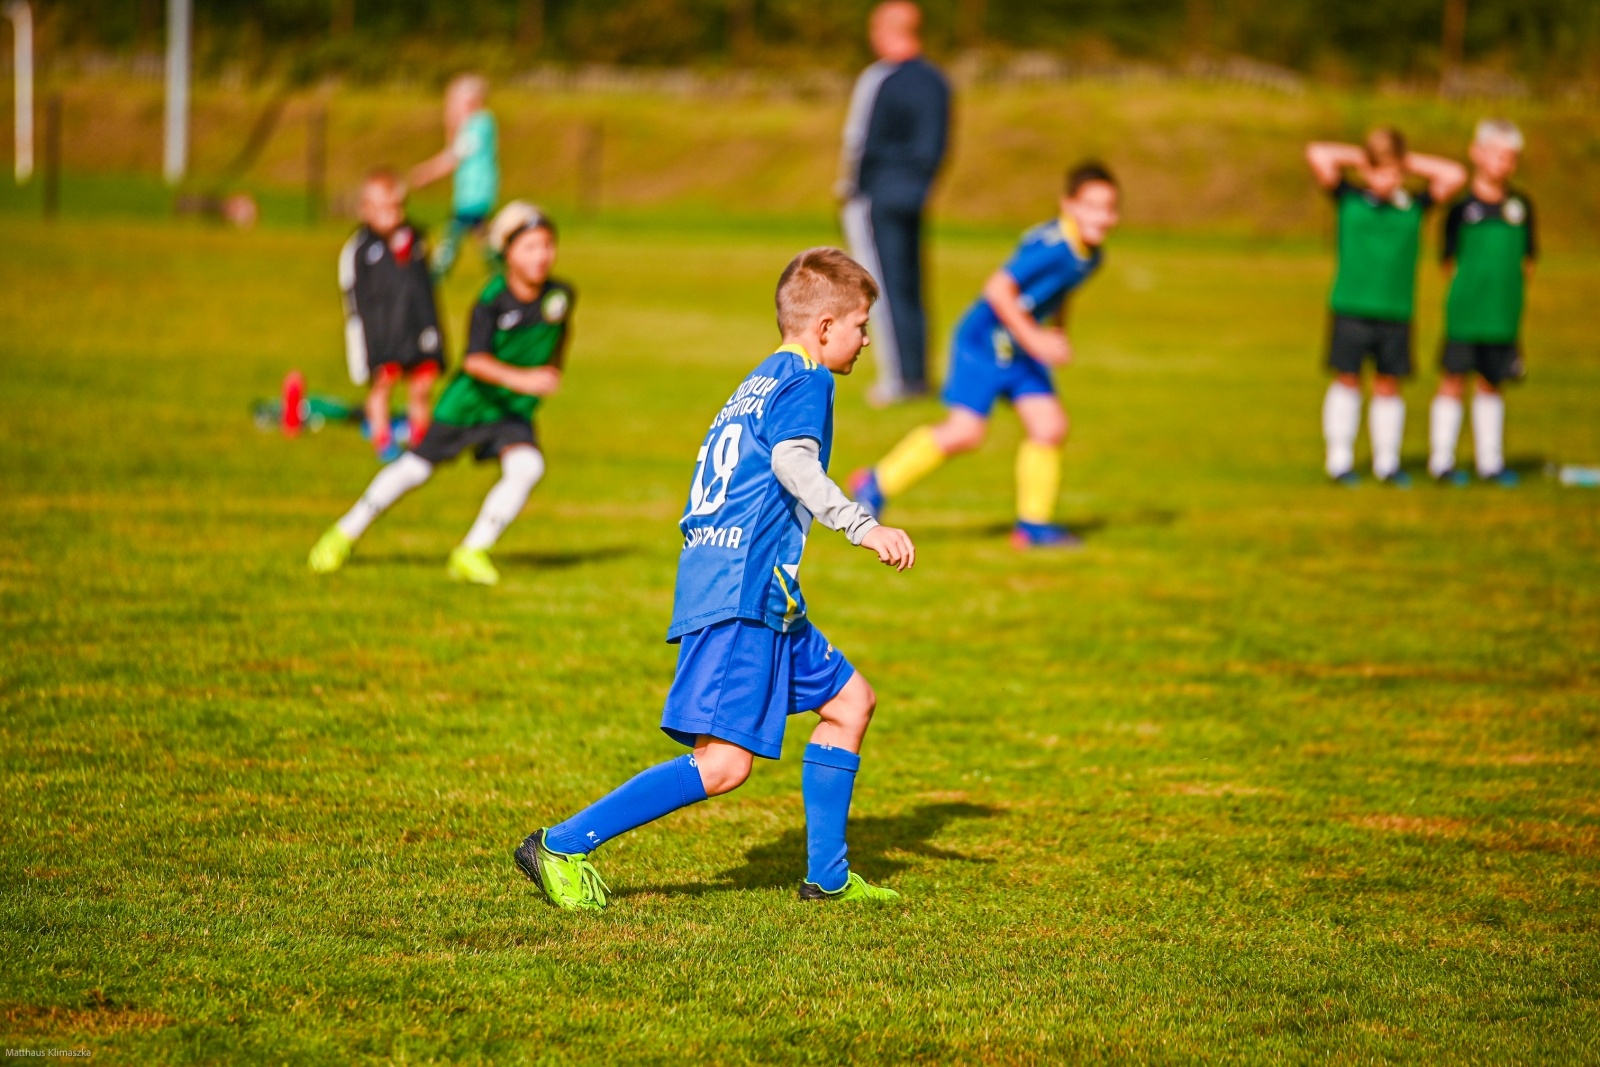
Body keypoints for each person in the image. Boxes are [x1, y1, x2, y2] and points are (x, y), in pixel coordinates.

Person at [514, 248, 917, 911]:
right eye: (861, 326)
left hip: (755, 587)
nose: (867, 340)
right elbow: (793, 464)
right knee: (724, 764)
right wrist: (862, 525)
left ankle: (828, 878)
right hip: (742, 591)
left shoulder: (758, 378)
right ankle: (561, 844)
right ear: (824, 328)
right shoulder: (809, 380)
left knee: (850, 703)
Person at [849, 162, 1121, 550]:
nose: (1101, 217)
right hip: (984, 342)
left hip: (1018, 347)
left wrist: (1057, 331)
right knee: (965, 432)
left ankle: (1033, 526)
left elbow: (1061, 290)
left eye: (1109, 208)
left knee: (1049, 426)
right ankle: (875, 483)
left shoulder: (1090, 255)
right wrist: (1035, 338)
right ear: (1069, 205)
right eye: (1091, 206)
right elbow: (998, 289)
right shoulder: (1055, 246)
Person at [308, 202, 572, 586]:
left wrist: (552, 370)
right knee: (414, 470)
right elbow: (474, 361)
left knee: (528, 467)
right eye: (530, 247)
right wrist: (524, 379)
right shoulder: (492, 301)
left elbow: (560, 337)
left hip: (510, 412)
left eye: (547, 245)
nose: (541, 256)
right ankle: (343, 533)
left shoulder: (560, 297)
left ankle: (471, 552)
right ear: (507, 252)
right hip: (468, 406)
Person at [1305, 129, 1467, 486]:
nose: (1386, 180)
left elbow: (1455, 175)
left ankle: (1387, 462)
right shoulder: (1349, 197)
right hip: (1351, 307)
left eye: (1393, 173)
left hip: (1395, 310)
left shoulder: (1413, 205)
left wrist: (1403, 162)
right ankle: (1339, 460)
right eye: (1380, 172)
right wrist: (1365, 159)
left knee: (1388, 385)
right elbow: (1317, 153)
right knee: (1347, 380)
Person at [837, 1, 950, 406]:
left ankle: (900, 380)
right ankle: (918, 373)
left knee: (878, 286)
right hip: (915, 196)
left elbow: (859, 142)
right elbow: (935, 145)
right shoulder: (937, 81)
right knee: (910, 286)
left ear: (888, 30)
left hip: (878, 197)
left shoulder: (879, 78)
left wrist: (851, 190)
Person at [1427, 119, 1535, 486]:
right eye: (1497, 155)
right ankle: (1442, 461)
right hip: (1465, 314)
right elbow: (1447, 261)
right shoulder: (1462, 209)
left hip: (1501, 315)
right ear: (1477, 154)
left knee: (1493, 383)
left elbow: (1528, 261)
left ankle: (1490, 462)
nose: (1504, 163)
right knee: (1453, 381)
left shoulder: (1521, 206)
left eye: (1511, 157)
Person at [338, 169, 443, 462]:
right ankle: (382, 438)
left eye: (395, 207)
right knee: (383, 385)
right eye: (381, 208)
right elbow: (356, 297)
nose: (390, 215)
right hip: (382, 332)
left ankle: (421, 441)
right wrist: (365, 337)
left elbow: (425, 288)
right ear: (365, 209)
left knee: (422, 385)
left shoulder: (416, 239)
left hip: (416, 327)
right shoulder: (361, 249)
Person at [409, 74, 499, 279]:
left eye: (454, 103)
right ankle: (501, 272)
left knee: (454, 233)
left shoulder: (479, 125)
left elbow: (455, 155)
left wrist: (427, 172)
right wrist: (451, 126)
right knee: (482, 236)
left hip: (474, 194)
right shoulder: (473, 125)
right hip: (472, 193)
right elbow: (453, 147)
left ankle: (435, 274)